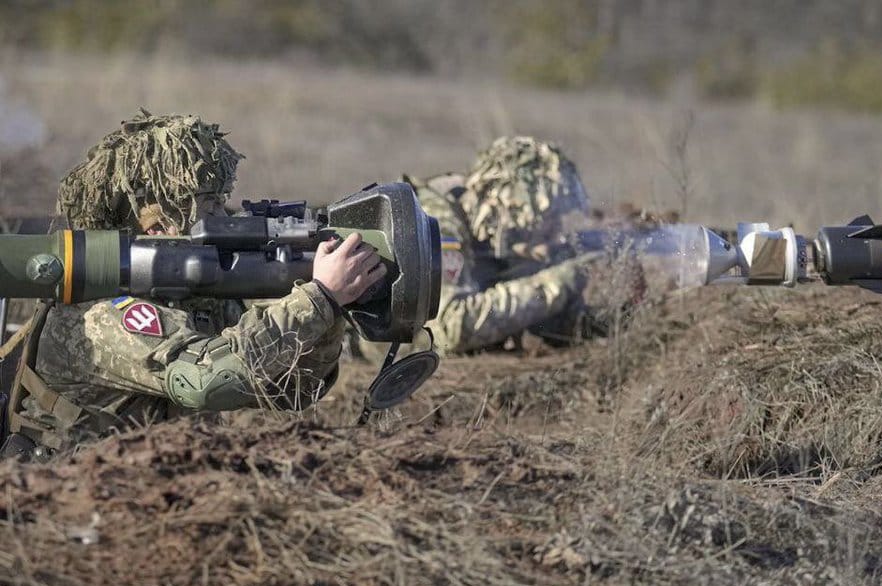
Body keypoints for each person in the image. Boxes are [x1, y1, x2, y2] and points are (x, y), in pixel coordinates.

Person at [0, 111, 383, 457]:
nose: (225, 217)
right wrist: (318, 298)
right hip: (67, 500)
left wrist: (327, 311)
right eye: (208, 207)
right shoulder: (103, 312)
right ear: (158, 226)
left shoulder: (191, 300)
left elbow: (292, 390)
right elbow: (207, 381)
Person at [403, 135, 608, 355]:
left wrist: (608, 320)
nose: (554, 232)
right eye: (548, 217)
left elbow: (547, 325)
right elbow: (452, 327)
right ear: (513, 206)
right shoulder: (436, 224)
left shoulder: (485, 225)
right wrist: (556, 285)